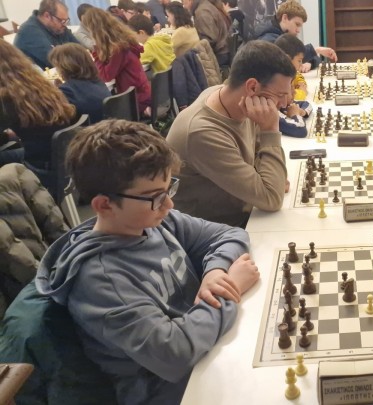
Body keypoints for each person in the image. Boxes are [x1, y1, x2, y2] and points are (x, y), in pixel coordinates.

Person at [33, 119, 261, 405]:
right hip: (170, 390)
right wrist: (230, 290)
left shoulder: (152, 220)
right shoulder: (102, 280)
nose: (169, 205)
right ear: (104, 205)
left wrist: (215, 272)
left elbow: (230, 234)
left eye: (168, 189)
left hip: (207, 347)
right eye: (154, 197)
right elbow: (176, 352)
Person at [166, 41, 295, 227]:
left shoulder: (236, 99)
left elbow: (270, 174)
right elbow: (272, 198)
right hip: (215, 233)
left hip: (246, 216)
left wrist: (270, 180)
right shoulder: (202, 132)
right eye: (280, 95)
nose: (284, 104)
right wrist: (270, 130)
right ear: (252, 87)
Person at [0, 41, 75, 178]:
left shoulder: (5, 97)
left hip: (41, 166)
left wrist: (6, 136)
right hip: (63, 157)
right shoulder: (37, 82)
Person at [83, 8, 152, 114]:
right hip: (142, 92)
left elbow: (105, 76)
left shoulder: (118, 49)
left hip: (136, 100)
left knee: (101, 111)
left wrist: (96, 52)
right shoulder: (125, 41)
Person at [254, 0, 337, 72]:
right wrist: (316, 50)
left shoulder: (285, 36)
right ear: (285, 18)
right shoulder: (267, 40)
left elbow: (307, 56)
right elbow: (283, 60)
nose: (298, 30)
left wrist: (309, 63)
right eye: (297, 24)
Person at [48, 43, 112, 124]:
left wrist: (56, 91)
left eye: (57, 67)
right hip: (109, 124)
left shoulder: (67, 90)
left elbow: (62, 118)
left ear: (64, 67)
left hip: (92, 129)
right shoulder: (97, 81)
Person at [13, 0, 79, 69]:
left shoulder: (59, 27)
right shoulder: (29, 31)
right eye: (61, 20)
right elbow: (56, 61)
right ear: (47, 16)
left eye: (66, 21)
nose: (65, 25)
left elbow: (80, 50)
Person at [275, 33, 312, 138]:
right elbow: (300, 130)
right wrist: (295, 114)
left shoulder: (283, 104)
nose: (295, 92)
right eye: (291, 88)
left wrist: (302, 112)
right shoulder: (272, 111)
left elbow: (306, 104)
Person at [187, 0, 232, 67]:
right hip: (224, 52)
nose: (184, 6)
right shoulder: (208, 6)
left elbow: (208, 40)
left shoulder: (202, 11)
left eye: (183, 1)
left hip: (218, 56)